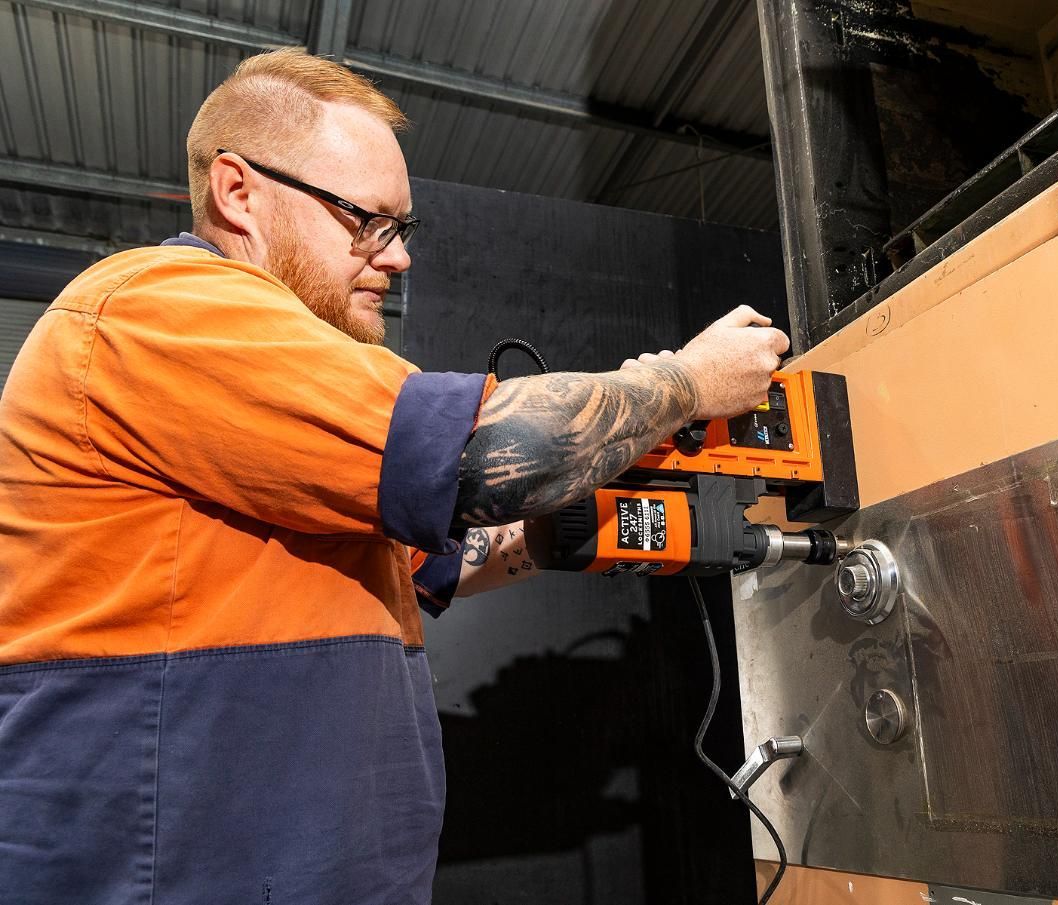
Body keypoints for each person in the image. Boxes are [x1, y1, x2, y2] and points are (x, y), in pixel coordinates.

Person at [0, 48, 788, 904]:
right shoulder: (160, 308)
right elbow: (483, 458)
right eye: (365, 219)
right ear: (238, 192)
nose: (396, 256)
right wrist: (682, 383)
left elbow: (442, 555)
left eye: (401, 228)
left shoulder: (272, 417)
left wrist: (565, 521)